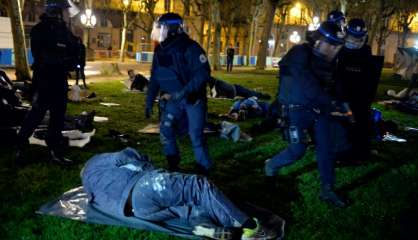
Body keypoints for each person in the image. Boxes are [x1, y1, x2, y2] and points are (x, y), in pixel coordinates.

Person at [81, 147, 284, 240]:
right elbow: (124, 155)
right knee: (198, 186)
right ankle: (250, 229)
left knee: (187, 208)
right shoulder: (96, 161)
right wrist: (145, 163)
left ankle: (203, 226)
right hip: (143, 188)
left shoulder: (88, 184)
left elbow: (95, 204)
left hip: (139, 212)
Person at [264, 21, 348, 208]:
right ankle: (271, 165)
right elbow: (306, 84)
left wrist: (341, 101)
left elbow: (334, 83)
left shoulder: (330, 61)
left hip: (319, 110)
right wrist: (330, 101)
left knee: (326, 149)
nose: (336, 50)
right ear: (319, 41)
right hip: (296, 111)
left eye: (338, 46)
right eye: (332, 44)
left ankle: (327, 189)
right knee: (297, 150)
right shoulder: (300, 53)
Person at [145, 13, 212, 175]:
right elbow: (155, 77)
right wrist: (148, 101)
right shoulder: (160, 51)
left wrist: (184, 92)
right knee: (166, 130)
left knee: (195, 136)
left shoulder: (190, 47)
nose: (158, 31)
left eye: (161, 28)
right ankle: (173, 164)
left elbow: (203, 73)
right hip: (174, 99)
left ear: (172, 28)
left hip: (191, 99)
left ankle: (203, 170)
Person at [15, 0, 78, 166]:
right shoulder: (39, 30)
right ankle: (20, 146)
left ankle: (54, 151)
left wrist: (74, 56)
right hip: (45, 80)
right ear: (56, 11)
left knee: (57, 117)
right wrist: (63, 59)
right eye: (64, 10)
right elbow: (43, 56)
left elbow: (73, 48)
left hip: (60, 80)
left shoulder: (63, 30)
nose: (66, 13)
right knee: (36, 114)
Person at [335, 18, 374, 164]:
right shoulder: (339, 49)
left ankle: (361, 153)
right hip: (341, 94)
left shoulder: (366, 50)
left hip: (360, 95)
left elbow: (369, 74)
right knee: (342, 123)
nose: (356, 41)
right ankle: (342, 151)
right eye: (353, 36)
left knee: (362, 121)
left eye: (359, 37)